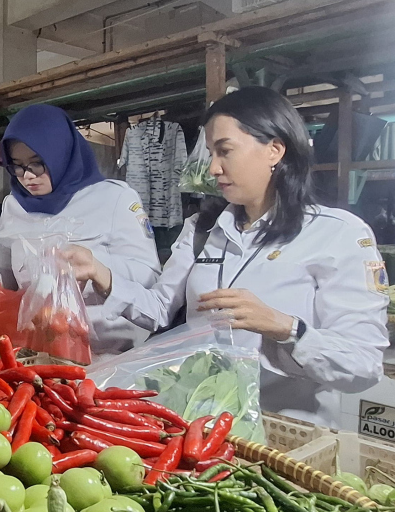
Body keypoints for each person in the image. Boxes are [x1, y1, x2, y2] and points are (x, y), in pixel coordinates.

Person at [66, 87, 388, 426]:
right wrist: (102, 274)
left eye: (225, 151)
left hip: (286, 433)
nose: (214, 168)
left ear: (274, 150)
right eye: (210, 154)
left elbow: (362, 365)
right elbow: (161, 309)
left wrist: (285, 328)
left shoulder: (338, 235)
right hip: (199, 427)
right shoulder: (202, 229)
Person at [0, 104, 161, 355]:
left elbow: (150, 278)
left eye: (37, 163)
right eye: (17, 165)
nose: (27, 176)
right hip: (44, 349)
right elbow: (12, 277)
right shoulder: (15, 205)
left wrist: (97, 269)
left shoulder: (114, 198)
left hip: (111, 349)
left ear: (62, 154)